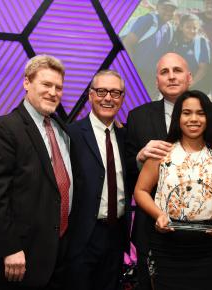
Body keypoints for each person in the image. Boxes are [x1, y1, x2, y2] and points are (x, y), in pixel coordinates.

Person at [126, 52, 212, 290]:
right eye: (164, 72)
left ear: (190, 76)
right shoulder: (137, 117)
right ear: (156, 80)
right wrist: (139, 158)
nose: (171, 77)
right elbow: (132, 179)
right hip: (157, 238)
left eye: (177, 70)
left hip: (207, 243)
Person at [0, 55, 75, 289]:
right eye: (46, 84)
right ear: (26, 83)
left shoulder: (62, 129)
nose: (53, 92)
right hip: (18, 259)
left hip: (57, 255)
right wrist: (10, 248)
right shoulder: (4, 128)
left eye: (58, 87)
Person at [66, 70, 130, 290]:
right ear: (90, 95)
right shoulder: (70, 134)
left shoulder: (126, 136)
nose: (108, 98)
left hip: (116, 235)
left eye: (115, 93)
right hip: (81, 237)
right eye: (101, 91)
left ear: (122, 98)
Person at [121, 0, 178, 97]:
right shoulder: (148, 20)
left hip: (152, 78)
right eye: (165, 8)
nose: (168, 12)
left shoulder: (170, 28)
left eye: (171, 10)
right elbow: (127, 43)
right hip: (135, 75)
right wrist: (131, 70)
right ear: (158, 7)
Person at [170, 13, 211, 91]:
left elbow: (203, 69)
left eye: (195, 28)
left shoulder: (201, 42)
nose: (192, 31)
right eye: (188, 27)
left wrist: (188, 85)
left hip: (194, 87)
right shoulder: (175, 39)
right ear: (181, 27)